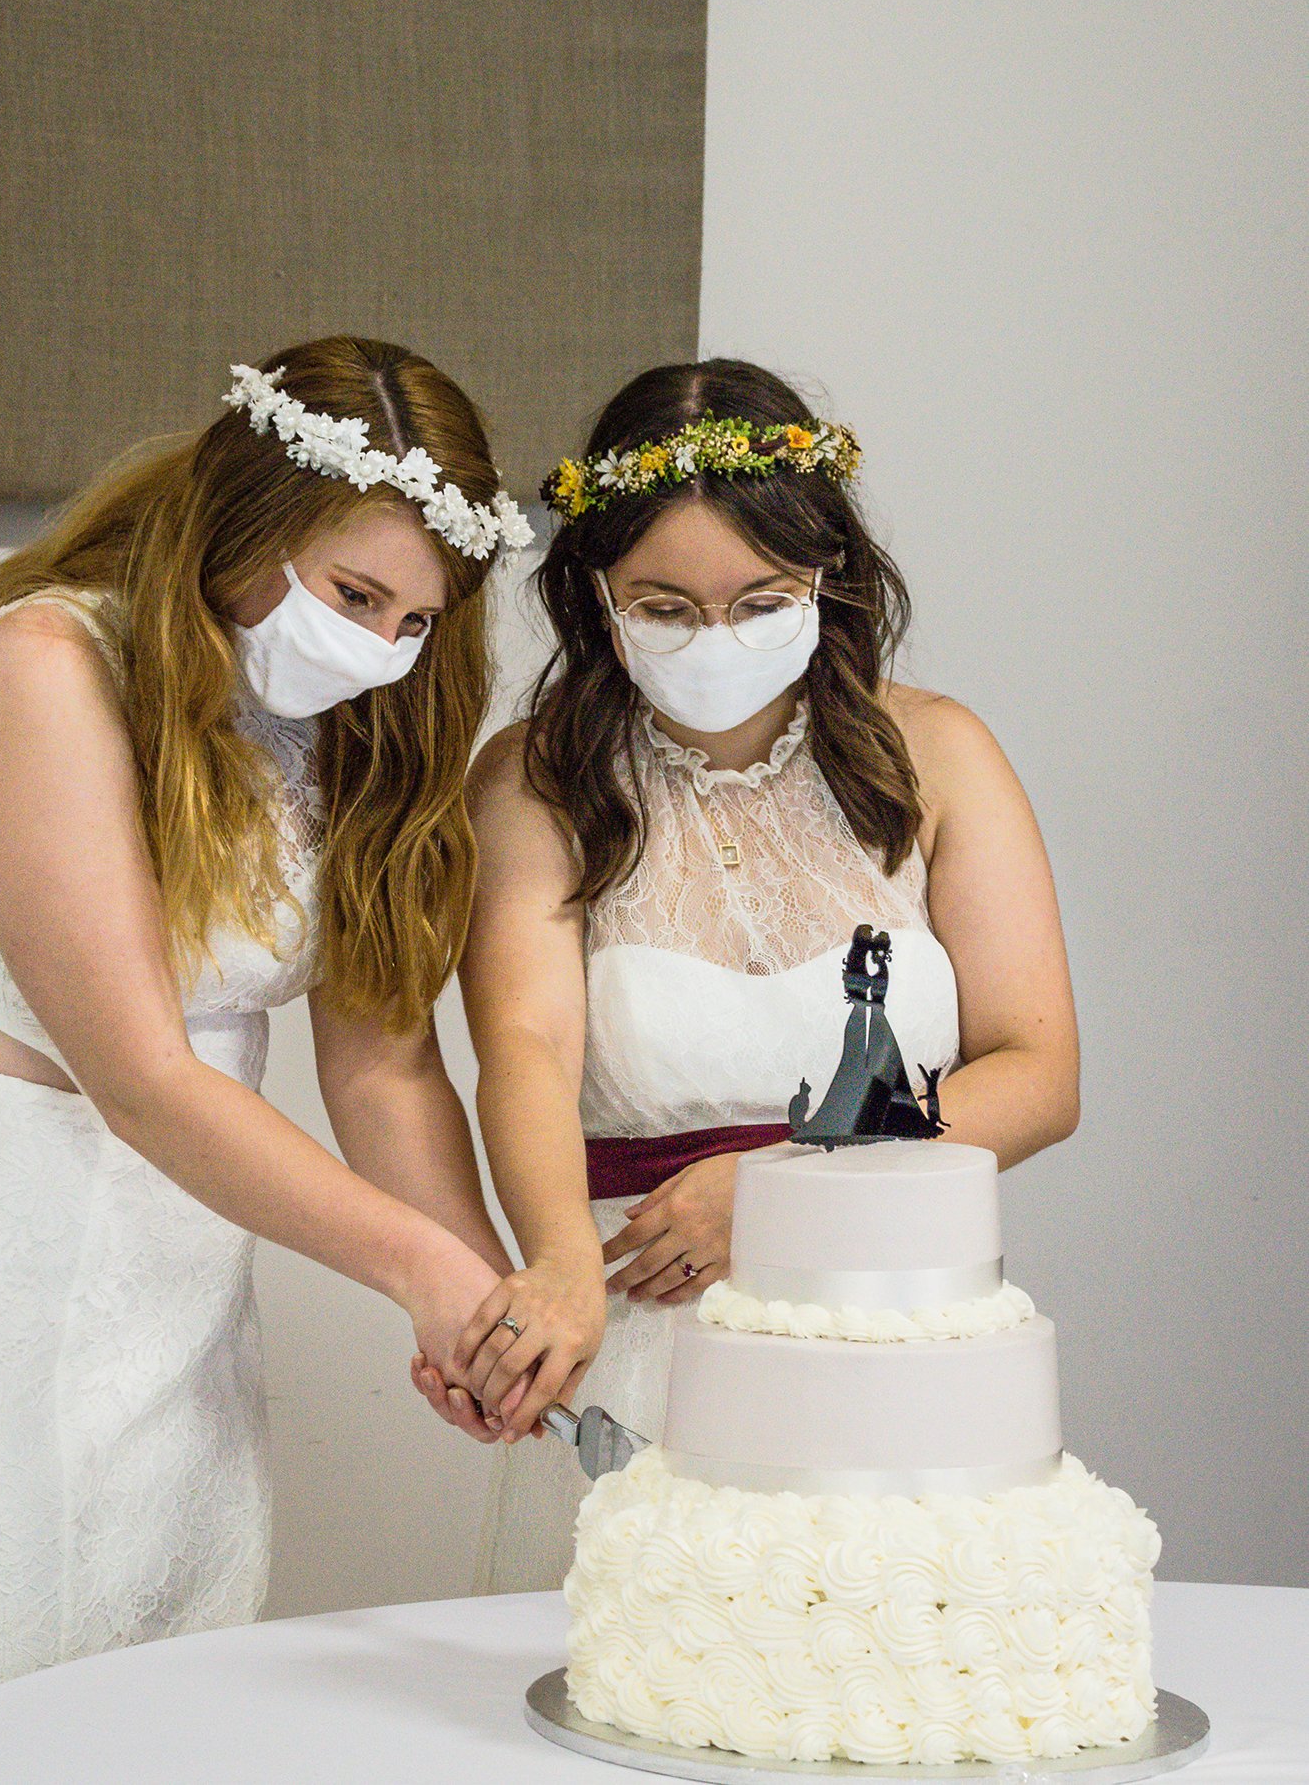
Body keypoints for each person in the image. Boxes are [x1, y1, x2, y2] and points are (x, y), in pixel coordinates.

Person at [0, 335, 533, 1781]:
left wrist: (488, 1300)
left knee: (172, 1707)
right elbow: (138, 1073)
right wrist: (414, 1269)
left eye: (415, 618)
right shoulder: (44, 666)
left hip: (180, 1289)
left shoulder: (350, 723)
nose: (384, 647)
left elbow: (384, 1065)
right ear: (247, 524)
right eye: (354, 596)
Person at [415, 357, 1081, 1592]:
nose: (711, 637)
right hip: (646, 1333)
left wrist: (789, 1187)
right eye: (662, 605)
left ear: (825, 578)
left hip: (900, 1332)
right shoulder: (535, 778)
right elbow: (525, 1046)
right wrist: (555, 1262)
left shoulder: (937, 752)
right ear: (594, 597)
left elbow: (1039, 1077)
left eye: (758, 598)